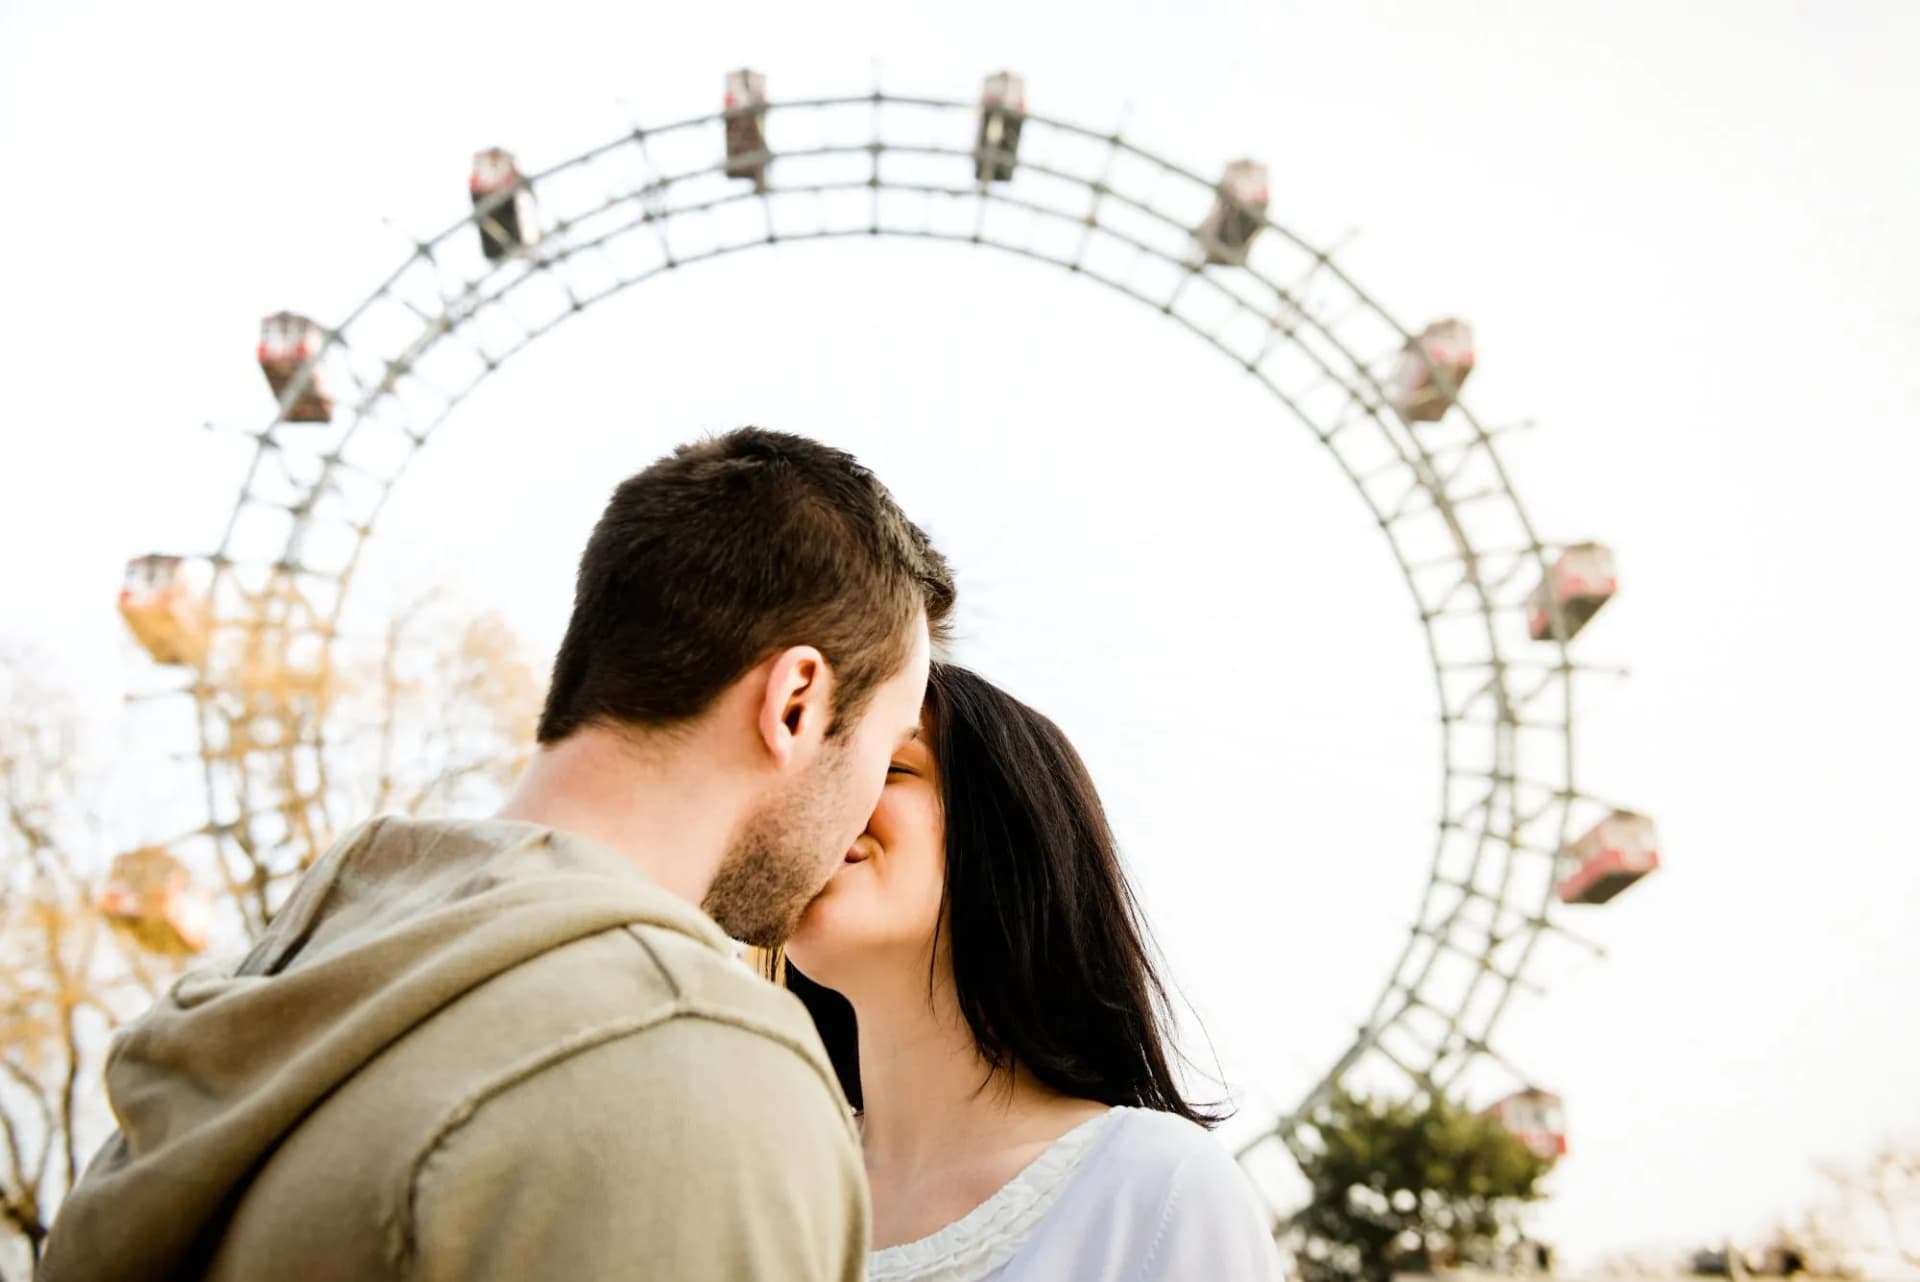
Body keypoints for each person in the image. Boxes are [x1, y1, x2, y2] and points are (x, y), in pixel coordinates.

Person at [42, 428, 955, 1282]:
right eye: (885, 749)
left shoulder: (282, 992)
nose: (863, 809)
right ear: (796, 702)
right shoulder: (687, 1069)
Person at [780, 663, 1285, 1282]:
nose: (825, 802)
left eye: (891, 768)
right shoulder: (752, 1189)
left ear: (1007, 830)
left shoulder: (1154, 1190)